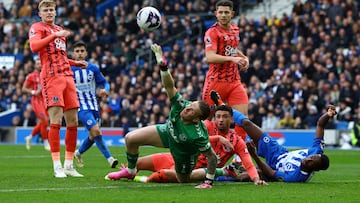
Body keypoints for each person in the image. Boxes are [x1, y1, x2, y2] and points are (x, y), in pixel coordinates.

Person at [105, 44, 218, 189]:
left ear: (196, 119)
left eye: (191, 110)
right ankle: (131, 171)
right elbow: (170, 86)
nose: (187, 108)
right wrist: (163, 67)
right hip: (167, 132)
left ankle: (222, 171)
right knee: (131, 138)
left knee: (183, 180)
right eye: (190, 104)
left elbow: (212, 157)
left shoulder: (197, 135)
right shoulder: (181, 105)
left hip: (183, 151)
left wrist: (208, 182)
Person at [112, 103, 267, 185]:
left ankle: (144, 180)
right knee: (136, 162)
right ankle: (130, 174)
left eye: (225, 117)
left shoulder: (237, 140)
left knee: (161, 175)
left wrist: (256, 179)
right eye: (218, 116)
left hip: (193, 168)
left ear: (231, 120)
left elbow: (248, 163)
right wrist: (217, 138)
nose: (220, 119)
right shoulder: (205, 126)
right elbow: (193, 138)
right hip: (175, 155)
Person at [210, 91, 335, 182]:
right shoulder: (317, 150)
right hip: (277, 152)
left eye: (312, 163)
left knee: (244, 176)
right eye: (312, 157)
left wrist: (254, 155)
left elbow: (271, 173)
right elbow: (320, 125)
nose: (309, 159)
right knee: (247, 124)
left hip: (271, 169)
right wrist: (328, 115)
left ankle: (211, 176)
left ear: (315, 169)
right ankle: (222, 105)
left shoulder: (296, 177)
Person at [28, 0, 87, 178]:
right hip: (51, 77)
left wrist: (75, 62)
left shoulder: (59, 30)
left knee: (73, 121)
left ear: (55, 12)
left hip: (67, 76)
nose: (49, 12)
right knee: (56, 120)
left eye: (51, 9)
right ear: (40, 13)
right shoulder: (37, 27)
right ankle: (57, 166)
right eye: (45, 10)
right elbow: (34, 47)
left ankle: (69, 165)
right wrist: (54, 36)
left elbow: (60, 56)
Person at [202, 0, 250, 163]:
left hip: (234, 81)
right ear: (216, 14)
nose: (223, 15)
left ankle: (238, 161)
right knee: (205, 122)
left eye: (226, 12)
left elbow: (232, 48)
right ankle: (202, 155)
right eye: (220, 12)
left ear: (232, 14)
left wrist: (243, 57)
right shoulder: (212, 32)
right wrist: (233, 59)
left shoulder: (235, 30)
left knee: (243, 120)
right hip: (216, 83)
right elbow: (210, 56)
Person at [70, 41, 118, 168]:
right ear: (73, 54)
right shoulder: (69, 69)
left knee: (93, 135)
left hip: (94, 106)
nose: (80, 54)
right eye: (77, 51)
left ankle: (78, 153)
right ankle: (110, 159)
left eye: (82, 51)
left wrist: (104, 90)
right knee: (96, 131)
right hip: (80, 107)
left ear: (86, 53)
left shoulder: (93, 68)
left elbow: (104, 83)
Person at [22, 59, 50, 151]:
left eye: (40, 63)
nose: (39, 65)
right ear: (35, 65)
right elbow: (24, 88)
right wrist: (34, 92)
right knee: (45, 121)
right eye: (37, 63)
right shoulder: (31, 76)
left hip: (45, 100)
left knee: (44, 122)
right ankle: (45, 142)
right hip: (36, 101)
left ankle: (30, 137)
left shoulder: (46, 74)